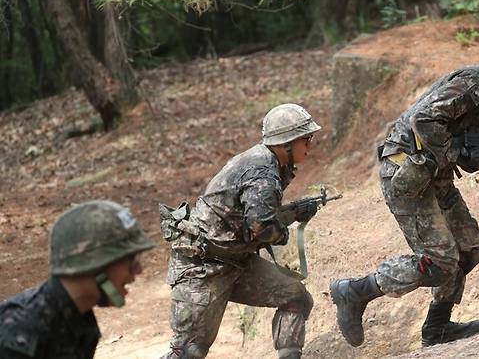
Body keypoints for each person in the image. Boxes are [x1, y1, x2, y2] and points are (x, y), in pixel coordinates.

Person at [329, 20, 479, 348]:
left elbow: (465, 142)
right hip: (406, 172)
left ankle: (437, 328)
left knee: (468, 248)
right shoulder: (476, 82)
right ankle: (354, 291)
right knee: (439, 262)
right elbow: (424, 121)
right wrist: (460, 152)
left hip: (432, 173)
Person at [161, 103, 321, 359]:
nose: (309, 145)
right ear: (286, 144)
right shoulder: (262, 172)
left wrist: (293, 212)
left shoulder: (269, 163)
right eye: (306, 139)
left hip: (236, 262)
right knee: (190, 350)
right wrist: (286, 231)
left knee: (295, 297)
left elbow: (249, 218)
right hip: (204, 269)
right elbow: (262, 227)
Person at [0, 200, 154, 358]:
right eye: (130, 260)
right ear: (94, 264)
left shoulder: (81, 322)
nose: (138, 270)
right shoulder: (18, 331)